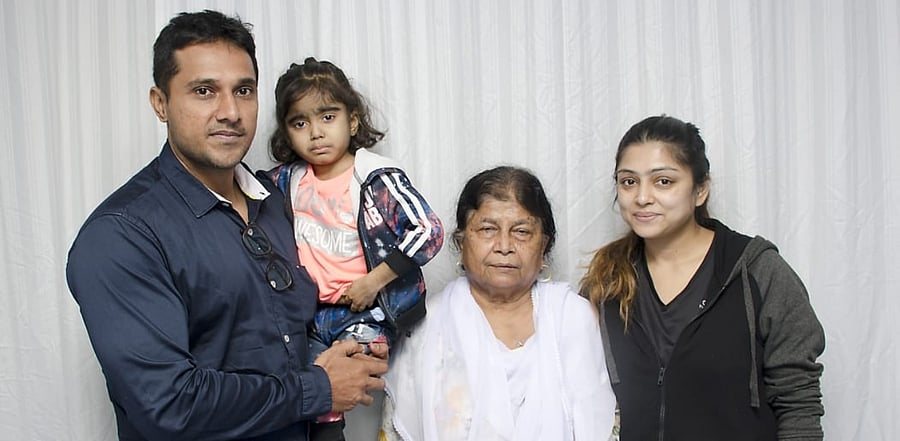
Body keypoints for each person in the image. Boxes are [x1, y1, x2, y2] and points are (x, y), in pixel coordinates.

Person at [66, 10, 387, 441]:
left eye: (244, 90)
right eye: (204, 91)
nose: (231, 112)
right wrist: (318, 389)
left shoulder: (280, 201)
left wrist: (354, 344)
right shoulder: (121, 235)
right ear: (160, 103)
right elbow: (169, 404)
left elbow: (297, 332)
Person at [580, 115, 826, 440]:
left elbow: (798, 402)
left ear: (700, 190)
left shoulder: (758, 271)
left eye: (663, 181)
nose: (642, 197)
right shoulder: (606, 279)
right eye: (628, 182)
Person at [266, 57, 444, 440]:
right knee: (305, 397)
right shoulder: (286, 181)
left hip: (367, 314)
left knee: (334, 391)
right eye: (300, 123)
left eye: (327, 117)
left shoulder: (376, 177)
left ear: (352, 121)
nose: (316, 133)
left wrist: (372, 282)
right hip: (310, 317)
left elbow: (428, 231)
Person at [380, 166, 617, 440]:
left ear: (544, 246)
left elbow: (604, 426)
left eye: (522, 231)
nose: (504, 246)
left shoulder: (573, 318)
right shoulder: (426, 324)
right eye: (488, 229)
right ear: (461, 242)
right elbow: (396, 433)